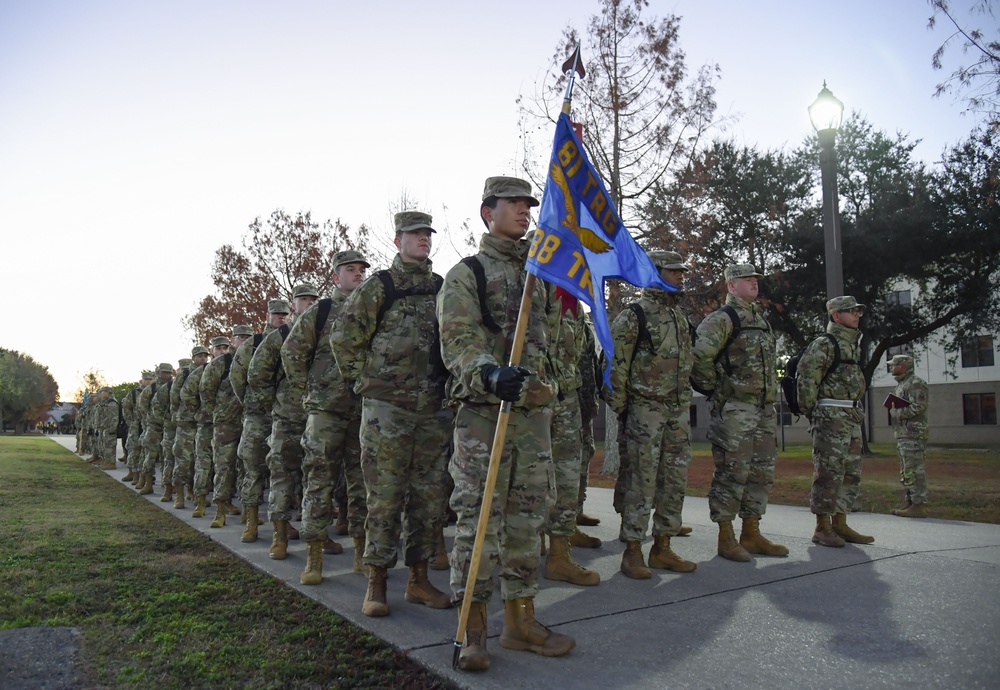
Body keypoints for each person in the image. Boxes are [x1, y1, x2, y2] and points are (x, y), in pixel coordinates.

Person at [438, 177, 573, 671]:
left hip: (533, 418)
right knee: (479, 522)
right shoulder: (466, 274)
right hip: (484, 417)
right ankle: (473, 628)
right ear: (486, 212)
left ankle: (521, 619)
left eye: (527, 204)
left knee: (527, 520)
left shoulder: (539, 275)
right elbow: (457, 339)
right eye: (512, 203)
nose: (523, 211)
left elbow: (552, 343)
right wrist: (489, 373)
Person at [332, 212, 453, 617]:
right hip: (388, 413)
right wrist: (363, 383)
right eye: (415, 234)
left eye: (427, 234)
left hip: (433, 411)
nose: (423, 240)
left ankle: (418, 580)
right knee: (383, 498)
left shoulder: (442, 288)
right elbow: (344, 339)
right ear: (399, 238)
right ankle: (377, 580)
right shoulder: (379, 287)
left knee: (430, 497)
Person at [607, 250, 697, 579]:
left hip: (676, 409)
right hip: (645, 409)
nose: (681, 276)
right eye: (674, 271)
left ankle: (663, 546)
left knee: (673, 480)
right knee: (640, 481)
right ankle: (632, 550)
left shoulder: (679, 316)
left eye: (681, 271)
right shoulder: (635, 315)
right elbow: (616, 368)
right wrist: (623, 411)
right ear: (654, 272)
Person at [283, 250, 371, 584]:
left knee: (362, 486)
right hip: (325, 412)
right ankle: (314, 557)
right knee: (318, 483)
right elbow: (292, 352)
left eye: (362, 270)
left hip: (363, 410)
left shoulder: (372, 308)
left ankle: (362, 555)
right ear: (336, 277)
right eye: (351, 270)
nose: (358, 275)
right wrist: (310, 390)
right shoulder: (320, 312)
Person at [692, 264, 788, 562]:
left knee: (761, 473)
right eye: (747, 280)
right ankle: (725, 536)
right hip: (735, 409)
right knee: (732, 472)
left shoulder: (760, 320)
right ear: (731, 286)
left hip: (763, 408)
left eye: (756, 279)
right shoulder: (721, 319)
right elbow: (699, 359)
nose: (754, 284)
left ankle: (751, 532)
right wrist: (719, 389)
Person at [797, 296, 873, 547]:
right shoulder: (825, 344)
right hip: (830, 416)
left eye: (858, 311)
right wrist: (814, 413)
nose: (856, 315)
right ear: (835, 316)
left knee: (850, 472)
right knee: (828, 471)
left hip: (851, 417)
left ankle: (840, 522)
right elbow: (807, 379)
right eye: (850, 311)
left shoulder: (853, 345)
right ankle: (822, 526)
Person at [249, 284, 318, 559]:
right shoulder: (281, 336)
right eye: (303, 299)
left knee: (316, 479)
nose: (309, 303)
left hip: (321, 416)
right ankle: (279, 536)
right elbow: (256, 373)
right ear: (293, 305)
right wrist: (274, 405)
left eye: (313, 299)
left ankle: (317, 538)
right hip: (288, 418)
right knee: (281, 476)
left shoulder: (326, 329)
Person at [542, 290, 600, 586]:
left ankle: (559, 555)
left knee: (567, 478)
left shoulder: (574, 301)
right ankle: (523, 553)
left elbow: (582, 358)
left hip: (569, 398)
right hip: (534, 398)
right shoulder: (529, 290)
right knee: (531, 480)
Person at [232, 299, 290, 541]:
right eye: (276, 314)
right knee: (254, 469)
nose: (281, 318)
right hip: (257, 417)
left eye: (285, 314)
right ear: (267, 315)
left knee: (285, 473)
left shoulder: (296, 337)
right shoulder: (254, 343)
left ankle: (282, 526)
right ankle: (252, 521)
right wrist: (253, 402)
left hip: (287, 416)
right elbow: (237, 377)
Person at [200, 326, 251, 527]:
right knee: (223, 466)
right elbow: (205, 390)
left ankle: (249, 511)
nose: (245, 341)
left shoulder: (253, 358)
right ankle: (220, 509)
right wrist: (218, 413)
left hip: (248, 421)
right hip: (225, 424)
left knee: (248, 467)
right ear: (233, 340)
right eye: (241, 337)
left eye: (248, 337)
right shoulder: (221, 364)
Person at [182, 337, 230, 517]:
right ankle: (200, 500)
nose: (223, 351)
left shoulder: (232, 366)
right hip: (206, 425)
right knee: (203, 463)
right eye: (219, 348)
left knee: (225, 465)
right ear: (213, 351)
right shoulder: (201, 371)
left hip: (227, 425)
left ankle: (224, 503)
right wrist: (201, 412)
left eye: (225, 347)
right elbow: (186, 394)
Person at [887, 354, 930, 518]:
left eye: (894, 365)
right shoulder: (902, 384)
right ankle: (910, 501)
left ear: (904, 366)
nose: (891, 367)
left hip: (914, 434)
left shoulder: (915, 383)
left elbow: (917, 407)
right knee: (906, 470)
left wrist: (895, 412)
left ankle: (919, 504)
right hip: (903, 434)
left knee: (914, 470)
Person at [172, 350, 207, 510]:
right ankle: (179, 494)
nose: (203, 358)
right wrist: (178, 414)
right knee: (183, 460)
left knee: (199, 461)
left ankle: (193, 492)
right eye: (200, 356)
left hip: (203, 421)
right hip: (186, 422)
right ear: (193, 358)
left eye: (205, 356)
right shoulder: (185, 374)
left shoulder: (210, 370)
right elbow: (175, 395)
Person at [137, 363, 174, 495]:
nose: (167, 375)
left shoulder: (174, 386)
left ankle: (167, 482)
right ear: (158, 373)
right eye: (164, 372)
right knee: (150, 456)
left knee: (168, 456)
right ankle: (147, 482)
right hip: (153, 426)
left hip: (170, 426)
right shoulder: (150, 389)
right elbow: (142, 407)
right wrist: (150, 421)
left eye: (169, 373)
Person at [158, 358, 190, 503]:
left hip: (189, 426)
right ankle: (170, 490)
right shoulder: (168, 387)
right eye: (182, 369)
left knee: (190, 461)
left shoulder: (195, 382)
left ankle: (190, 490)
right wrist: (166, 420)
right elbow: (157, 407)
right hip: (171, 428)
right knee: (170, 459)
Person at [122, 371, 154, 483]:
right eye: (146, 379)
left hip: (150, 425)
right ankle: (133, 473)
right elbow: (126, 407)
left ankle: (144, 476)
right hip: (136, 425)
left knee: (147, 452)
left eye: (151, 379)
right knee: (134, 449)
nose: (149, 381)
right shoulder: (134, 393)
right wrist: (131, 422)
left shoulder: (156, 391)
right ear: (142, 380)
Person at [94, 388, 120, 470]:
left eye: (103, 392)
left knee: (110, 446)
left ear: (108, 392)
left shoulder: (112, 403)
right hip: (105, 428)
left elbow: (114, 417)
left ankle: (111, 463)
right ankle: (106, 461)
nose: (101, 394)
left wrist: (112, 429)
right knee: (105, 446)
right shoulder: (105, 402)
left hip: (110, 429)